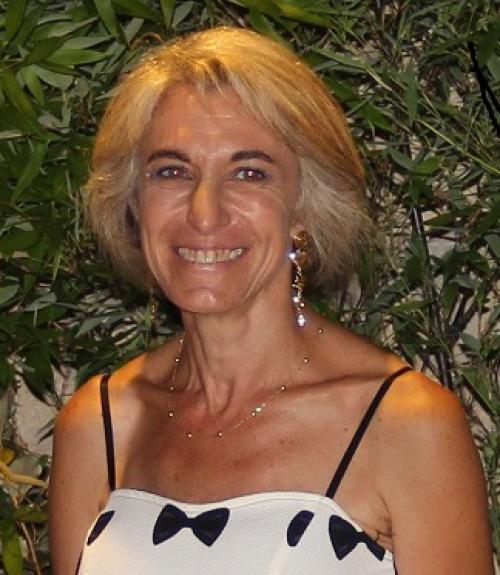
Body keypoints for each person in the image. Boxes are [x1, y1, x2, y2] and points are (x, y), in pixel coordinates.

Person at [49, 27, 494, 575]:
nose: (204, 212)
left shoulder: (404, 424)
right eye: (172, 171)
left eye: (249, 173)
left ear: (304, 206)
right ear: (135, 202)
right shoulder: (97, 425)